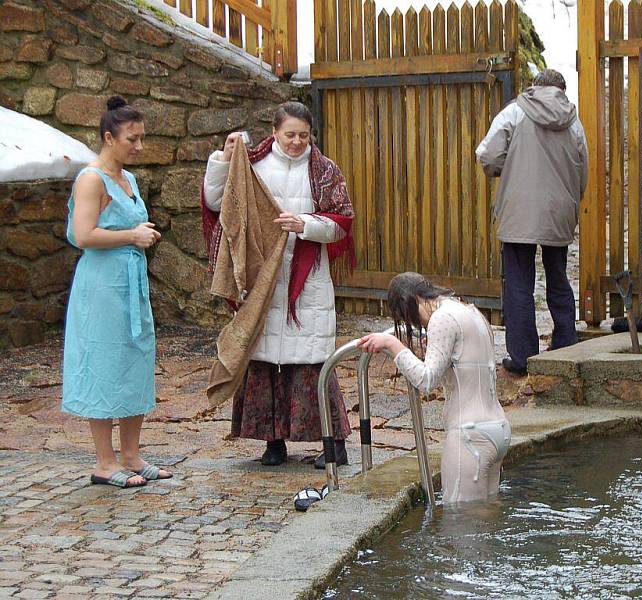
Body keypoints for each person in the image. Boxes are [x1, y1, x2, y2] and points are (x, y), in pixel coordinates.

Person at [201, 101, 355, 469]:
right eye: (290, 135)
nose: (297, 142)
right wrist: (223, 158)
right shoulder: (251, 165)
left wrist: (306, 224)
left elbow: (342, 221)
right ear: (274, 133)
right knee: (265, 361)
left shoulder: (324, 171)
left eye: (304, 135)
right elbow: (217, 202)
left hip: (308, 280)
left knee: (313, 361)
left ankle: (334, 444)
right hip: (261, 280)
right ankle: (273, 442)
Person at [62, 96, 171, 488]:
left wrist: (137, 236)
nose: (139, 146)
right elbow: (83, 234)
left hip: (130, 283)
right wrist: (132, 235)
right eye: (132, 139)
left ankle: (132, 454)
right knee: (104, 361)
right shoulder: (91, 178)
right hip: (102, 286)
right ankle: (104, 462)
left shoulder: (130, 179)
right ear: (109, 138)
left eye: (141, 138)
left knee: (134, 359)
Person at [357, 272, 511, 505]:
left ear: (410, 304)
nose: (417, 325)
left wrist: (391, 343)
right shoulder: (469, 310)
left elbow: (426, 380)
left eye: (409, 320)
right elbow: (465, 370)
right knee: (486, 516)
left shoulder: (442, 318)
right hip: (498, 430)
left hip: (470, 436)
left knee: (459, 524)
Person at [476, 68, 588, 376]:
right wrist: (570, 201)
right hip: (559, 210)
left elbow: (487, 155)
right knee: (559, 278)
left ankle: (523, 357)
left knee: (519, 284)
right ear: (561, 91)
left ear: (534, 87)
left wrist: (506, 169)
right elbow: (582, 171)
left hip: (519, 208)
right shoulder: (574, 122)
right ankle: (565, 348)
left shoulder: (514, 112)